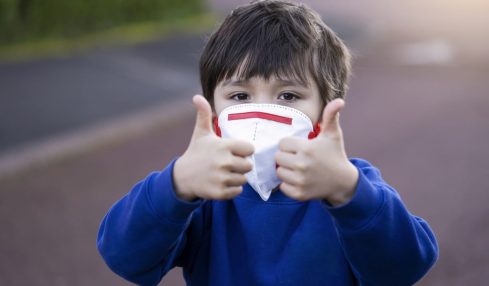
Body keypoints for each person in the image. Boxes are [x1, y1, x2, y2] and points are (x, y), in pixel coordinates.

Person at [97, 1, 438, 285]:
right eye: (240, 95)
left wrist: (350, 193)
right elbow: (125, 258)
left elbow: (404, 268)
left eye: (288, 95)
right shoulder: (202, 187)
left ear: (324, 110)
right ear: (214, 111)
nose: (260, 113)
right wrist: (177, 185)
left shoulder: (349, 183)